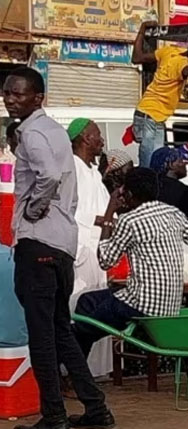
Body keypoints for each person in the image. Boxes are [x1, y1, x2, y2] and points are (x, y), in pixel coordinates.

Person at [2, 67, 113, 429]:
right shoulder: (54, 131)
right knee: (59, 330)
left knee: (42, 335)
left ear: (38, 97)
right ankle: (95, 407)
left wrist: (33, 209)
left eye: (18, 94)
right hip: (63, 244)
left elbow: (47, 176)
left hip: (39, 243)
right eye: (7, 93)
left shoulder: (31, 133)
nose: (10, 99)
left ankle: (54, 416)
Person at [74, 168, 188, 359]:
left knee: (80, 330)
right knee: (87, 302)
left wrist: (109, 212)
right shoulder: (174, 213)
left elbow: (105, 261)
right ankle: (79, 373)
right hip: (169, 305)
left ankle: (76, 376)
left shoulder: (130, 220)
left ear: (129, 195)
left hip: (138, 305)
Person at [66, 118, 114, 378]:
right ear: (85, 138)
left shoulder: (93, 172)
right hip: (82, 250)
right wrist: (109, 218)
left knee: (97, 310)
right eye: (97, 135)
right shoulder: (72, 169)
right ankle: (72, 373)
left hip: (99, 251)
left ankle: (92, 373)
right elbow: (76, 212)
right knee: (78, 308)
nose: (102, 140)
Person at [131, 20, 188, 169]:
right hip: (152, 118)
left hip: (146, 114)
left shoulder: (169, 51)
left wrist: (142, 29)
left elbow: (137, 57)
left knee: (156, 167)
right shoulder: (182, 64)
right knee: (149, 170)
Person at [150, 147, 188, 222]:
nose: (184, 163)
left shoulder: (148, 189)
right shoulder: (186, 193)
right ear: (171, 165)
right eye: (180, 160)